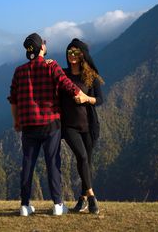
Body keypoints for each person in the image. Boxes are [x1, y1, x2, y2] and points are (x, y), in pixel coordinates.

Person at [7, 32, 89, 216]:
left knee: (28, 164)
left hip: (28, 126)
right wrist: (85, 97)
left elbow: (13, 100)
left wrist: (17, 121)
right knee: (53, 163)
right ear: (42, 47)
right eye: (43, 43)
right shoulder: (51, 67)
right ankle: (58, 205)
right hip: (51, 124)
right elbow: (69, 86)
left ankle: (24, 206)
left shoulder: (19, 71)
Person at [59, 38, 104, 214]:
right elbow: (49, 75)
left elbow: (100, 100)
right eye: (70, 52)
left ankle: (82, 199)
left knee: (86, 161)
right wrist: (44, 61)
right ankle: (92, 196)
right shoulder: (62, 74)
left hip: (90, 126)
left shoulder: (91, 76)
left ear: (82, 55)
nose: (72, 55)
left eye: (76, 52)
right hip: (69, 126)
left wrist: (86, 98)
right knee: (82, 157)